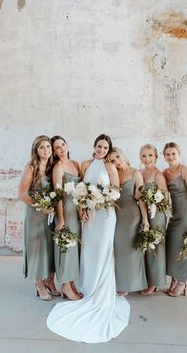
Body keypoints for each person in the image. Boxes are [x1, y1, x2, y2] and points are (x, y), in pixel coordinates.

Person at [47, 134, 130, 343]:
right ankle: (85, 285)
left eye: (105, 147)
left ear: (108, 149)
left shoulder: (110, 167)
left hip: (105, 215)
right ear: (94, 146)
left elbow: (116, 192)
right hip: (89, 216)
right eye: (99, 146)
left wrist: (100, 198)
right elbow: (81, 190)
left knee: (103, 249)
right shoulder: (84, 164)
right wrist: (84, 206)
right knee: (88, 250)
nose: (101, 150)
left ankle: (99, 289)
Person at [18, 135, 57, 301]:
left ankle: (49, 281)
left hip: (48, 215)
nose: (46, 150)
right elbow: (22, 195)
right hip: (35, 215)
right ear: (36, 150)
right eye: (42, 147)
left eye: (48, 147)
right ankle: (38, 283)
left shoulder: (50, 167)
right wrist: (41, 206)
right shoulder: (31, 167)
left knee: (48, 248)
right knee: (36, 249)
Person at [163, 142, 187, 297]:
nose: (171, 156)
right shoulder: (165, 173)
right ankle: (174, 279)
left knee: (185, 248)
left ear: (178, 154)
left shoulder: (185, 170)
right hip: (174, 215)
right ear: (164, 156)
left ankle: (182, 282)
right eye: (168, 154)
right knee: (173, 248)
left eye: (174, 153)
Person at [108, 147, 148, 296]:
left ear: (123, 155)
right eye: (112, 160)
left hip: (132, 214)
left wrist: (145, 219)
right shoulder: (113, 173)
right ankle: (120, 282)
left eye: (117, 157)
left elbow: (141, 198)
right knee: (118, 249)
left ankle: (133, 283)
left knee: (131, 250)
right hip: (116, 214)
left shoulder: (135, 172)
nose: (116, 162)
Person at [51, 135, 82, 300]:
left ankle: (70, 284)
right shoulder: (58, 168)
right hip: (65, 212)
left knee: (74, 248)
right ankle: (64, 284)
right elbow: (58, 195)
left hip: (76, 212)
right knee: (66, 248)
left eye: (63, 144)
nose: (61, 148)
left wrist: (82, 210)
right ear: (54, 152)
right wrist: (61, 219)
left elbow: (82, 189)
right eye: (57, 147)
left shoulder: (75, 164)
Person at [139, 144, 167, 294]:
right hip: (142, 214)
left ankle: (155, 282)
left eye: (150, 155)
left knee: (155, 247)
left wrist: (152, 201)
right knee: (145, 248)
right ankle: (146, 279)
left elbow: (165, 198)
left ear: (156, 157)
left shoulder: (158, 175)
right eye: (144, 155)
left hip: (156, 215)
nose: (147, 158)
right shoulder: (140, 172)